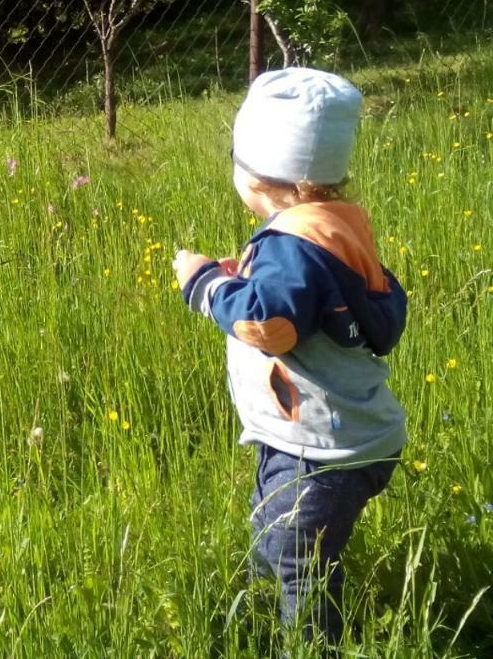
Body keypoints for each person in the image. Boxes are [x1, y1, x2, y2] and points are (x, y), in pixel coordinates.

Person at [172, 67, 407, 645]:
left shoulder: (290, 246)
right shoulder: (334, 225)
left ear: (260, 177)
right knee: (272, 532)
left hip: (320, 451)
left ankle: (310, 645)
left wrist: (204, 282)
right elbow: (312, 296)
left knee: (297, 557)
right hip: (339, 436)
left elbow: (269, 323)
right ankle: (260, 618)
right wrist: (251, 276)